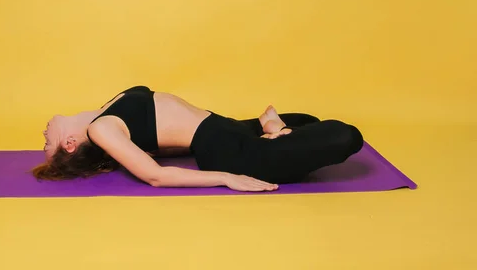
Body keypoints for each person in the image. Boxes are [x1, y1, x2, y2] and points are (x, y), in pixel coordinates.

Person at [34, 86, 363, 192]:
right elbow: (155, 175)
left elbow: (163, 136)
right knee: (345, 136)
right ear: (69, 144)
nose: (43, 138)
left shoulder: (106, 111)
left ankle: (274, 135)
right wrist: (225, 177)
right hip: (229, 151)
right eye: (46, 145)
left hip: (227, 127)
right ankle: (273, 138)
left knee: (308, 121)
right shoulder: (100, 129)